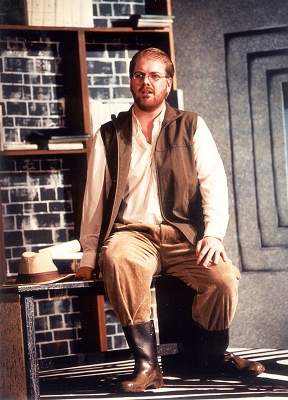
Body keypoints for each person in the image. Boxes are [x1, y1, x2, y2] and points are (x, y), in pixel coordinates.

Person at [76, 47, 265, 392]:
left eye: (154, 75)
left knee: (222, 279)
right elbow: (93, 200)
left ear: (168, 82)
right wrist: (90, 254)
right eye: (138, 75)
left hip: (182, 235)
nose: (145, 82)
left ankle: (210, 357)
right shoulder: (108, 134)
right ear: (130, 81)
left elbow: (214, 184)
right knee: (117, 258)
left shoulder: (191, 124)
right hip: (133, 234)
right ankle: (148, 365)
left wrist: (213, 235)